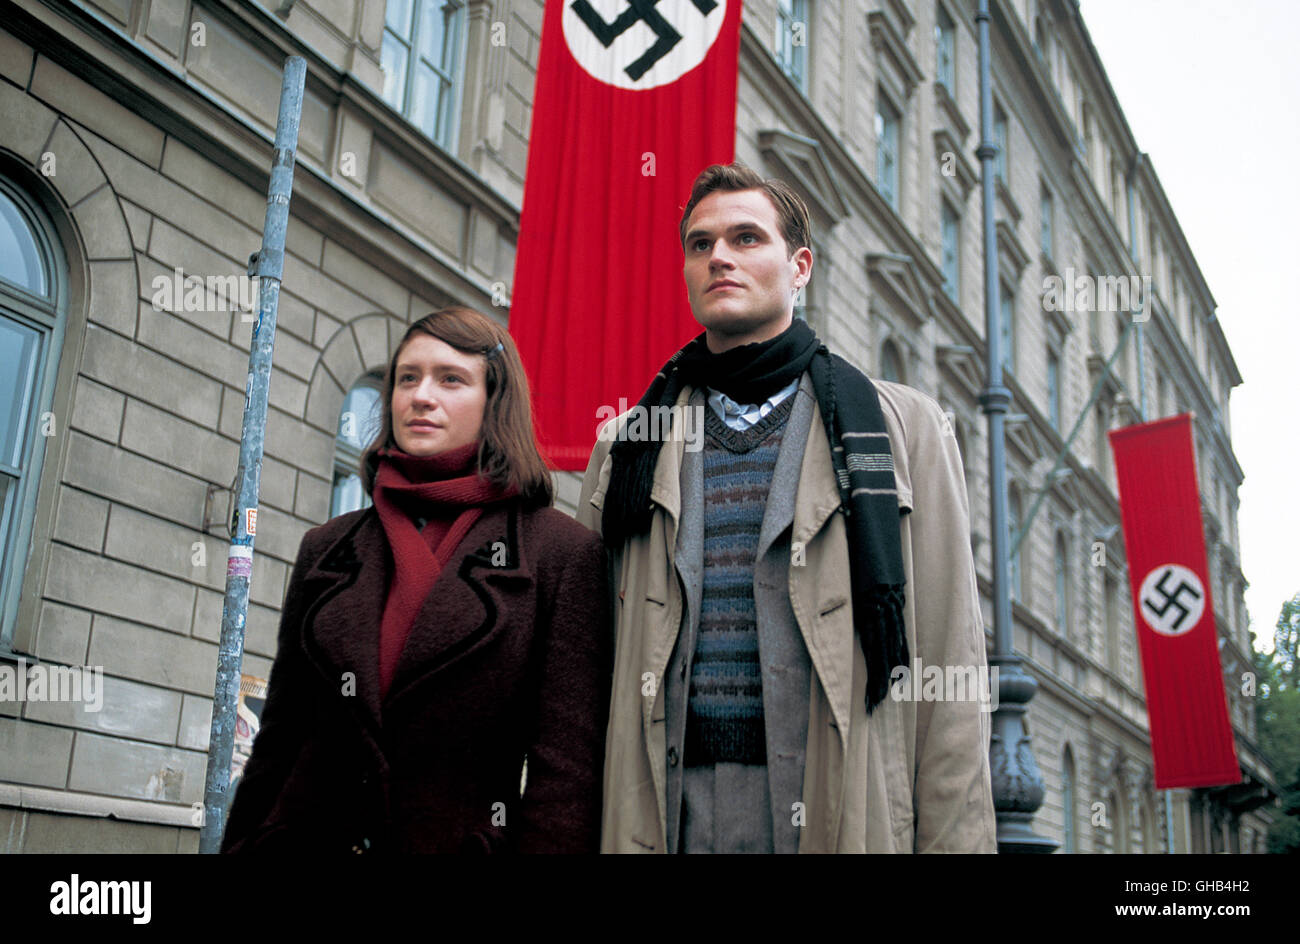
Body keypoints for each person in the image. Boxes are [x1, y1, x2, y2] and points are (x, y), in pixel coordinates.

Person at [577, 163, 997, 853]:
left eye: (746, 238)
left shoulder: (904, 429)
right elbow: (587, 666)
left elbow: (950, 664)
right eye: (700, 243)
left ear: (800, 266)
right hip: (662, 808)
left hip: (836, 801)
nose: (719, 257)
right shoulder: (627, 447)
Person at [222, 306, 610, 853]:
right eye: (408, 378)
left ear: (495, 400)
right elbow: (279, 742)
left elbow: (565, 777)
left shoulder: (561, 554)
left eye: (451, 379)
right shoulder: (326, 547)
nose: (421, 396)